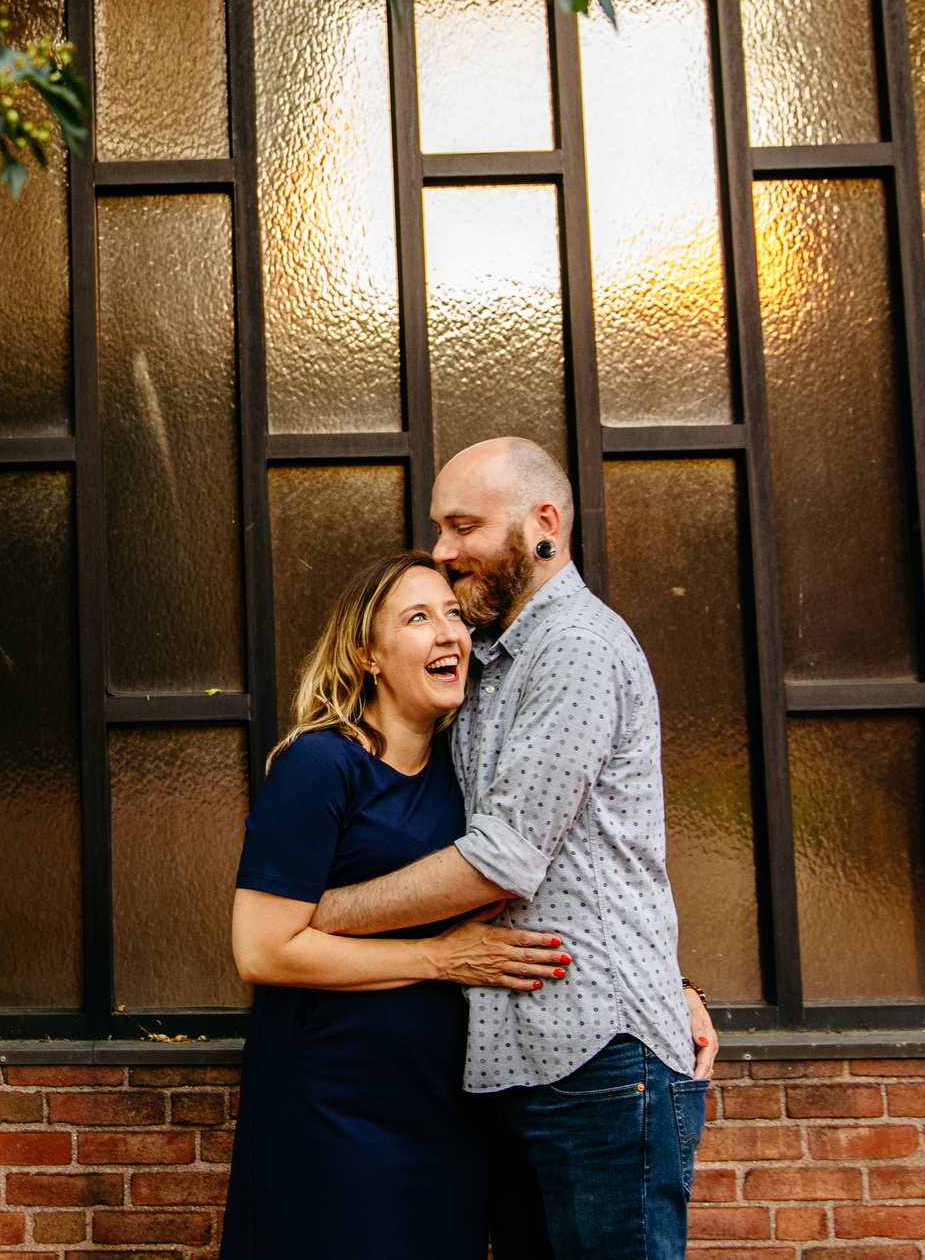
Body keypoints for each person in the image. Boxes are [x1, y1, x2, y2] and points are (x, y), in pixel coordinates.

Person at [312, 438, 718, 1260]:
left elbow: (506, 856)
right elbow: (600, 855)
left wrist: (322, 915)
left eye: (463, 526)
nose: (443, 550)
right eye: (439, 528)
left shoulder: (575, 647)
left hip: (602, 1062)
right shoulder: (490, 660)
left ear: (544, 524)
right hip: (522, 1069)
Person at [219, 551, 571, 1260]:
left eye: (453, 614)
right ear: (367, 656)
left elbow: (567, 884)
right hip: (332, 1115)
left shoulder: (468, 772)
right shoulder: (321, 764)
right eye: (418, 618)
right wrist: (437, 958)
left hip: (447, 1117)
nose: (450, 633)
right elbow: (261, 949)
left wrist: (673, 987)